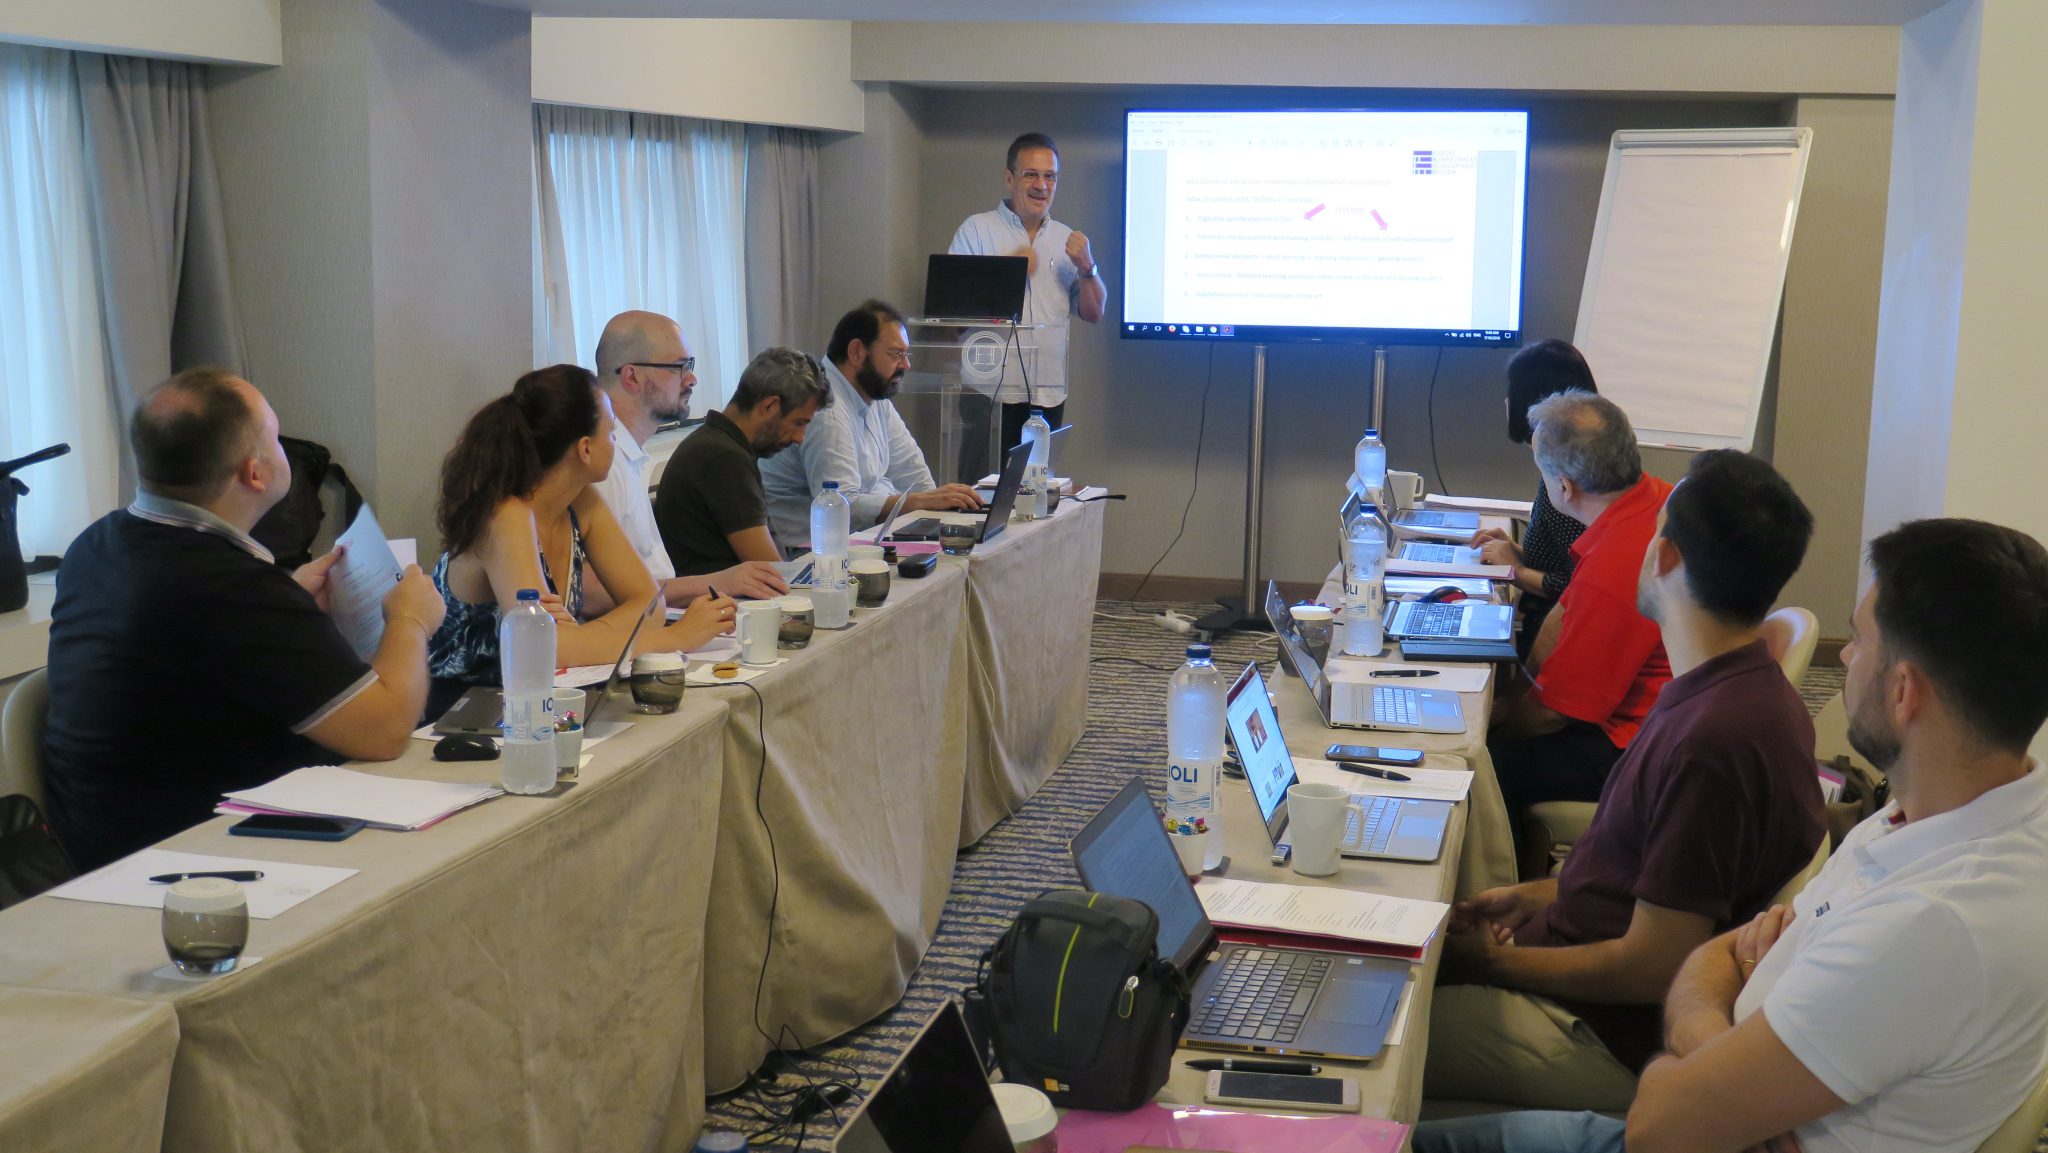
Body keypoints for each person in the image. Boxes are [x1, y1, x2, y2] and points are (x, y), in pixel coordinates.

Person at [1416, 517, 2048, 1153]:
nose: (1845, 657)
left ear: (1904, 692)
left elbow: (1657, 1125)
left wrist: (1695, 1045)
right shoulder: (1941, 818)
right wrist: (1720, 1043)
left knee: (1387, 1048)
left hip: (1668, 1121)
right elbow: (1719, 952)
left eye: (1858, 641)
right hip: (1720, 1101)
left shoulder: (1928, 925)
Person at [1426, 450, 1825, 1112]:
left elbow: (1654, 965)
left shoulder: (1715, 743)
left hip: (1599, 1034)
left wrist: (1490, 963)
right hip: (1569, 965)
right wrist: (1536, 895)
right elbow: (1663, 883)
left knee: (1367, 1029)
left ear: (1663, 557)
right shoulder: (1725, 690)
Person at [42, 367, 447, 870]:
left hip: (93, 826)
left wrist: (289, 598)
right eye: (275, 437)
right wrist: (410, 620)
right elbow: (383, 732)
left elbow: (204, 641)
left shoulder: (97, 543)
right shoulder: (228, 587)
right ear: (255, 473)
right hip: (185, 847)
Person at [427, 364, 731, 688]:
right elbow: (544, 649)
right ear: (585, 449)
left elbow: (650, 606)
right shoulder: (507, 514)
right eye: (611, 432)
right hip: (463, 708)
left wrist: (576, 640)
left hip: (537, 701)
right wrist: (676, 637)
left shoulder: (582, 501)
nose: (614, 440)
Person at [1489, 391, 1673, 848]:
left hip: (1639, 749)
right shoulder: (1658, 499)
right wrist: (1514, 693)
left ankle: (1505, 881)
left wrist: (1493, 729)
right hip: (1665, 723)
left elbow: (1553, 713)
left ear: (1564, 488)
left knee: (1489, 766)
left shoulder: (1615, 566)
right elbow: (1564, 612)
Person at [590, 310, 787, 603]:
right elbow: (591, 595)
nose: (692, 379)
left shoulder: (631, 455)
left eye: (689, 365)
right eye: (679, 367)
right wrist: (718, 583)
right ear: (632, 376)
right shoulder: (602, 464)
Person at [759, 300, 985, 549]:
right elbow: (841, 506)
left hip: (861, 539)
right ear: (857, 352)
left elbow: (912, 474)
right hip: (810, 552)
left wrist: (940, 508)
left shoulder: (874, 397)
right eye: (896, 354)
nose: (906, 365)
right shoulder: (825, 410)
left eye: (906, 355)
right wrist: (918, 502)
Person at [949, 131, 1107, 460]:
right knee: (979, 489)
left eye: (1050, 176)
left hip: (1046, 396)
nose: (1041, 185)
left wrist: (1087, 267)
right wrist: (1012, 270)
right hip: (988, 395)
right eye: (1031, 174)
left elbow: (1094, 312)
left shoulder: (1066, 239)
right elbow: (953, 313)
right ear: (1009, 178)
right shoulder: (976, 231)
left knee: (1036, 489)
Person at [1469, 340, 1599, 655]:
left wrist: (1515, 571)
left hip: (1555, 638)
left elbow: (1577, 586)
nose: (1506, 399)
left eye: (1513, 390)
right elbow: (1563, 558)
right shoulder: (1563, 461)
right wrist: (1514, 550)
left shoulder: (1568, 480)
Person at [654, 348, 831, 576]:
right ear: (769, 406)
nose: (800, 438)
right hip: (726, 597)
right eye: (798, 423)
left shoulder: (720, 444)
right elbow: (772, 573)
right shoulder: (722, 459)